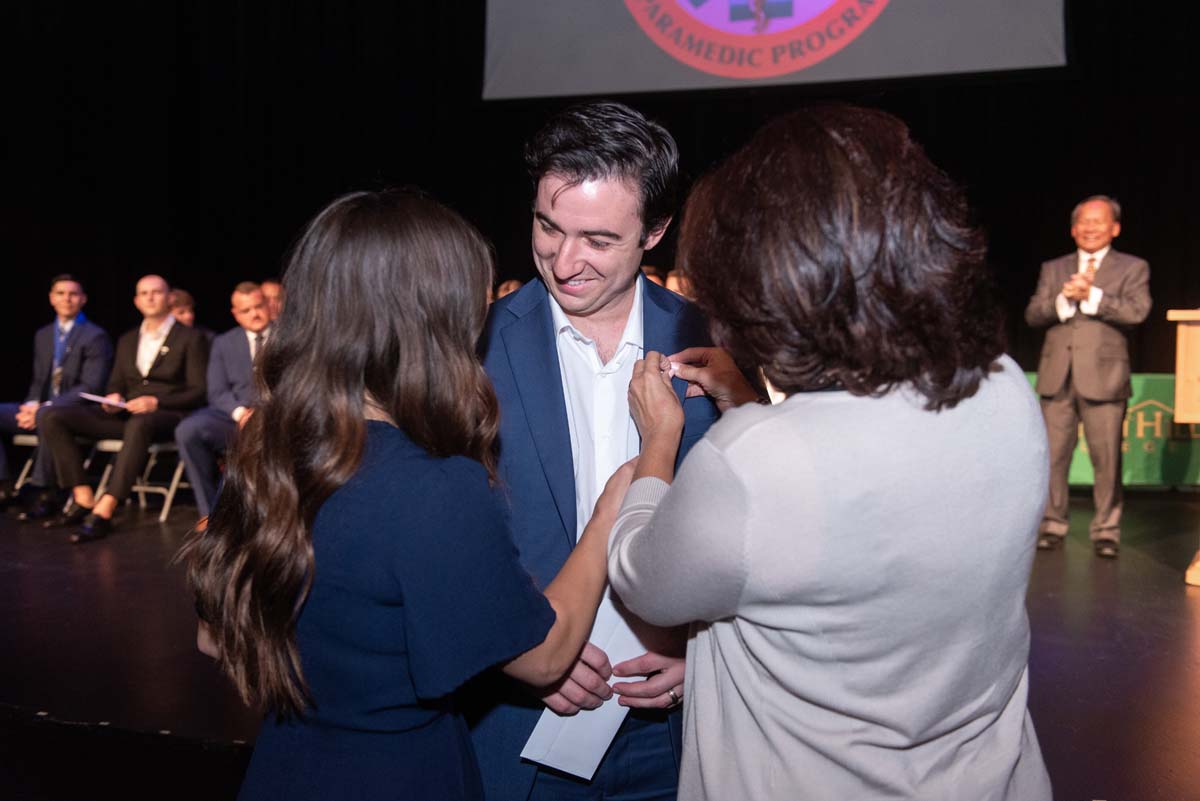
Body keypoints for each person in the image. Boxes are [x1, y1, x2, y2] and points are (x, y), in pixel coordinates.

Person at [607, 106, 1052, 800]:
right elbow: (866, 529)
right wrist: (749, 401)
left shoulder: (752, 462)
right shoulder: (1004, 387)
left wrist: (659, 447)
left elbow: (643, 579)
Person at [181, 189, 625, 801]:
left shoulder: (266, 451)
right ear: (434, 317)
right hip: (398, 774)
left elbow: (214, 638)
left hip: (285, 766)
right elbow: (545, 657)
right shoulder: (434, 483)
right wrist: (612, 507)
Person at [470, 102, 734, 801]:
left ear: (655, 230)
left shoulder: (719, 342)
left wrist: (705, 649)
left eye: (597, 239)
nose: (564, 261)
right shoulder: (473, 343)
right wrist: (513, 654)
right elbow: (446, 535)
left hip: (678, 738)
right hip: (520, 732)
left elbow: (763, 528)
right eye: (548, 226)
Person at [1025, 195, 1151, 558]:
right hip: (1057, 375)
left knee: (1107, 457)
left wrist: (1092, 295)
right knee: (1052, 457)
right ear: (1073, 229)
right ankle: (1052, 524)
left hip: (1104, 377)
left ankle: (1106, 530)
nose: (1091, 228)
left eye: (1099, 222)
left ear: (1115, 228)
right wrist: (1064, 300)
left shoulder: (1133, 267)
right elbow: (1033, 314)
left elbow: (1136, 312)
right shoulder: (1055, 267)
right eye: (1084, 222)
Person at [38, 274, 208, 542]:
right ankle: (83, 497)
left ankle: (105, 510)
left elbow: (199, 391)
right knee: (51, 415)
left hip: (166, 415)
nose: (150, 297)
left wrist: (157, 402)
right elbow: (116, 382)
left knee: (140, 422)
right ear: (137, 301)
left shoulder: (190, 337)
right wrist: (113, 398)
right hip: (129, 416)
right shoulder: (128, 339)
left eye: (156, 292)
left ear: (169, 297)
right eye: (144, 293)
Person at [0, 275, 113, 514]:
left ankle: (44, 491)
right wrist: (30, 405)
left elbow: (90, 387)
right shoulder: (43, 335)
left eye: (73, 294)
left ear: (83, 299)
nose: (67, 299)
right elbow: (40, 379)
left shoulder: (95, 336)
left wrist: (44, 407)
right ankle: (4, 486)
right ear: (51, 298)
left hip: (74, 410)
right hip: (40, 406)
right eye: (60, 293)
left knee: (48, 417)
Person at [174, 282, 270, 519]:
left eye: (259, 306)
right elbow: (216, 391)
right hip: (235, 417)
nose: (255, 314)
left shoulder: (288, 337)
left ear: (268, 305)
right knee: (189, 430)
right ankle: (211, 514)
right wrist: (239, 413)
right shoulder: (224, 342)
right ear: (235, 314)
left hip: (274, 416)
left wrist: (262, 413)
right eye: (246, 310)